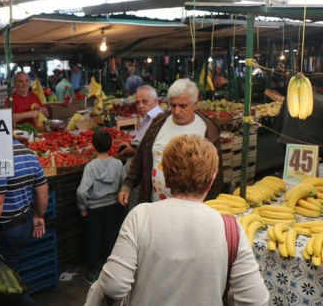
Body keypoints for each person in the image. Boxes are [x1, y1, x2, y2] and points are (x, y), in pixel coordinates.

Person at [86, 134, 269, 306]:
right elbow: (257, 300)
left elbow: (113, 286)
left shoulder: (141, 216)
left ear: (165, 177)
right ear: (212, 179)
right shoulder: (230, 228)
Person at [119, 78, 224, 206]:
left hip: (191, 211)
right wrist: (127, 185)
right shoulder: (158, 124)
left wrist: (210, 204)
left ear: (195, 103)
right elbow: (141, 156)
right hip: (156, 205)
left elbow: (216, 173)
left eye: (182, 106)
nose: (176, 111)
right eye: (173, 105)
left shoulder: (208, 130)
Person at [0, 138, 49, 306]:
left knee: (5, 285)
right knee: (2, 278)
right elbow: (42, 190)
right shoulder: (27, 153)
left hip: (4, 231)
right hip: (22, 225)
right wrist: (39, 216)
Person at [76, 130, 125, 285]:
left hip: (94, 210)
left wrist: (82, 207)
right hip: (112, 207)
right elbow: (124, 183)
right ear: (112, 146)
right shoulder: (118, 164)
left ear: (93, 146)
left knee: (93, 240)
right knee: (112, 239)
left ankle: (92, 273)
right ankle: (113, 272)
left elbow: (81, 191)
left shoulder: (91, 167)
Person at [117, 85, 164, 210]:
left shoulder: (157, 120)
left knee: (137, 208)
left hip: (143, 174)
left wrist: (132, 151)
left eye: (144, 102)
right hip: (137, 174)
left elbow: (154, 150)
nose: (140, 106)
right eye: (137, 102)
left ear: (156, 101)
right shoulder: (147, 118)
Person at [276, 75, 323, 157]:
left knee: (291, 169)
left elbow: (279, 121)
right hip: (313, 147)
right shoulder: (321, 101)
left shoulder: (290, 97)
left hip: (288, 143)